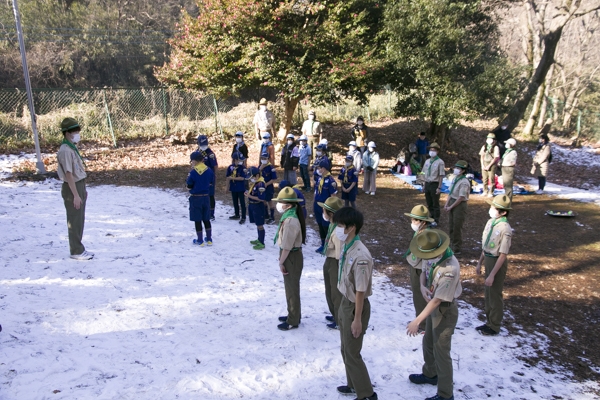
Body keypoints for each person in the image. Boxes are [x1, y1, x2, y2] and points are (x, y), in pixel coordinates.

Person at [407, 229, 461, 400]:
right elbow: (424, 271)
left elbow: (438, 300)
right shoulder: (432, 255)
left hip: (444, 311)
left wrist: (417, 321)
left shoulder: (450, 268)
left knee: (441, 352)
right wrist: (422, 286)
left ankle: (445, 394)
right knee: (428, 342)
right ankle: (430, 374)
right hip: (433, 307)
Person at [333, 207, 377, 400]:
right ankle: (353, 385)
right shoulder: (348, 246)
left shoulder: (361, 256)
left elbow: (360, 290)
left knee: (352, 353)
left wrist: (357, 319)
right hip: (346, 302)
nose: (337, 228)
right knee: (345, 349)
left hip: (355, 307)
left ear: (351, 228)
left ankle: (366, 394)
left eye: (340, 225)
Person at [475, 194, 513, 336]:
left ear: (503, 212)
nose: (491, 210)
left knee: (495, 294)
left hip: (497, 263)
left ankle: (494, 325)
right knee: (488, 294)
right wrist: (479, 263)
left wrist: (492, 275)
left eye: (494, 208)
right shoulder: (491, 222)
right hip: (488, 259)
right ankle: (488, 321)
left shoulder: (505, 229)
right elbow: (486, 246)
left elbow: (503, 254)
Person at [57, 117, 93, 260]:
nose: (77, 134)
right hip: (72, 188)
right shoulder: (65, 150)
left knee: (79, 219)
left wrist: (82, 191)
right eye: (74, 132)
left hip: (79, 185)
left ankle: (79, 247)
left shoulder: (72, 147)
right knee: (74, 219)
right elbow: (68, 174)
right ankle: (76, 250)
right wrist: (76, 195)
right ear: (67, 133)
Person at [274, 187, 307, 331]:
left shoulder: (290, 221)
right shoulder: (289, 217)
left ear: (288, 205)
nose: (278, 204)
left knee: (292, 289)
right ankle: (293, 314)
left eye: (281, 202)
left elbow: (287, 246)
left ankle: (293, 319)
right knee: (290, 288)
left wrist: (281, 262)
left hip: (291, 256)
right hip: (289, 255)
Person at [403, 205, 434, 333]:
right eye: (412, 219)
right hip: (414, 266)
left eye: (416, 220)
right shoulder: (418, 232)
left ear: (424, 222)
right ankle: (419, 319)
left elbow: (428, 257)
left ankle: (424, 324)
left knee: (422, 296)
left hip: (421, 270)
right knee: (416, 295)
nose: (413, 222)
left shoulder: (426, 236)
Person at [317, 196, 345, 330]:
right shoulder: (333, 225)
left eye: (324, 211)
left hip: (336, 262)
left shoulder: (339, 230)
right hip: (329, 259)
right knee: (329, 291)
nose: (322, 213)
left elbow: (341, 253)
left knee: (336, 293)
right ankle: (335, 314)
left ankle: (340, 320)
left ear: (332, 214)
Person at [187, 151, 215, 246]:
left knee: (197, 219)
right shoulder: (209, 170)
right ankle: (209, 238)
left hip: (196, 198)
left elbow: (189, 185)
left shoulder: (193, 172)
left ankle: (200, 240)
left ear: (195, 161)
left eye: (192, 161)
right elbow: (211, 182)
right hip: (206, 197)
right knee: (206, 218)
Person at [443, 160, 470, 255]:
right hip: (452, 201)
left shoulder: (464, 182)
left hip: (459, 205)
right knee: (451, 225)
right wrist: (447, 204)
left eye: (458, 168)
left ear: (463, 171)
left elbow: (461, 197)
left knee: (457, 226)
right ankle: (451, 244)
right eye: (456, 167)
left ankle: (456, 247)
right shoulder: (455, 179)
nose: (456, 170)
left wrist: (450, 207)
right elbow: (450, 193)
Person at [314, 159, 338, 253]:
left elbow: (333, 197)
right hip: (317, 205)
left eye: (319, 168)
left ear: (323, 169)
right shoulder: (320, 178)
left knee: (326, 226)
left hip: (325, 207)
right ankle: (323, 244)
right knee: (320, 225)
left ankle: (329, 245)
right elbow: (316, 191)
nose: (318, 170)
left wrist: (330, 210)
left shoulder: (331, 181)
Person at [422, 143, 445, 226]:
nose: (432, 152)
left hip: (434, 184)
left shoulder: (440, 162)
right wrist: (423, 185)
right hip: (427, 183)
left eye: (434, 150)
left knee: (435, 203)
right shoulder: (427, 161)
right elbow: (423, 173)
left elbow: (441, 175)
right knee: (429, 202)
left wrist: (439, 187)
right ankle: (431, 218)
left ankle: (436, 220)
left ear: (437, 151)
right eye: (431, 150)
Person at [197, 135, 219, 220]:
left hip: (209, 177)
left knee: (210, 195)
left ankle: (211, 213)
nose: (203, 146)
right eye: (201, 144)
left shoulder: (210, 154)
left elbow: (215, 166)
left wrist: (214, 175)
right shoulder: (197, 153)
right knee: (200, 195)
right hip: (199, 177)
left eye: (204, 144)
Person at [246, 167, 268, 250]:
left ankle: (261, 242)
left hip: (258, 206)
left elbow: (261, 198)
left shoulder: (261, 184)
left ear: (257, 175)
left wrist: (249, 196)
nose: (251, 179)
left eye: (252, 177)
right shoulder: (256, 183)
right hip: (252, 205)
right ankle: (259, 239)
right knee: (257, 224)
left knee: (260, 225)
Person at [226, 152, 247, 224]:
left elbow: (242, 178)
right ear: (235, 160)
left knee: (242, 203)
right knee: (235, 202)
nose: (241, 162)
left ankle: (243, 217)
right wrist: (227, 187)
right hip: (233, 187)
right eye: (239, 160)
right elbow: (227, 178)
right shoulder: (230, 167)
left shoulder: (243, 168)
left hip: (240, 188)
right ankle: (237, 214)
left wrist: (232, 178)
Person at [259, 151, 278, 224]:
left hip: (268, 187)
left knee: (270, 201)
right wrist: (260, 168)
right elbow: (256, 174)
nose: (263, 159)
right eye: (262, 158)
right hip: (261, 187)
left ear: (268, 159)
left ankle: (272, 217)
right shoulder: (260, 166)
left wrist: (266, 184)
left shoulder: (271, 167)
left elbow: (274, 179)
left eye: (265, 158)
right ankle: (266, 214)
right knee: (263, 200)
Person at [479, 133, 500, 198]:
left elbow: (496, 158)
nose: (489, 140)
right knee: (484, 178)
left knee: (491, 179)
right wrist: (482, 165)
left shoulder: (496, 147)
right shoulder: (484, 146)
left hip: (492, 164)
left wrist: (489, 165)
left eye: (491, 139)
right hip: (485, 163)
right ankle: (485, 191)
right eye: (488, 138)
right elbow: (482, 156)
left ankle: (491, 192)